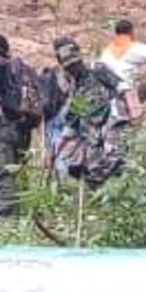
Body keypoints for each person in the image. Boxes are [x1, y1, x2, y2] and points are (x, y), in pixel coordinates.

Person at [0, 32, 41, 221]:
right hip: (23, 129)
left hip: (4, 126)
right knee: (17, 171)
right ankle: (25, 218)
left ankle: (6, 219)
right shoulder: (26, 68)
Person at [51, 37, 127, 188]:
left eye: (75, 63)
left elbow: (124, 88)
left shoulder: (97, 71)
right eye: (69, 66)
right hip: (92, 142)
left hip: (112, 132)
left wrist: (134, 110)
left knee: (118, 168)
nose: (74, 68)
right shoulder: (74, 90)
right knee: (94, 176)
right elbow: (70, 125)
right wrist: (54, 152)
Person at [98, 20, 146, 121]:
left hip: (106, 92)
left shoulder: (107, 51)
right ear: (131, 32)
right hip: (124, 91)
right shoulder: (132, 47)